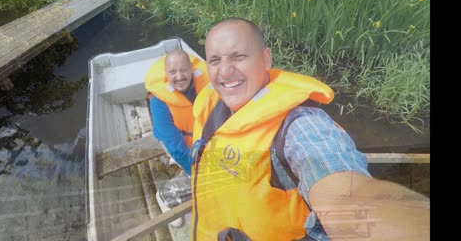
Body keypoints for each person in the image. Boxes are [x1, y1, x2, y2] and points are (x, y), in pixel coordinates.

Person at [189, 17, 429, 240]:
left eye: (238, 56)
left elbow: (347, 195)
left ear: (266, 59)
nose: (225, 71)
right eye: (215, 60)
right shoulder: (211, 102)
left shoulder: (301, 128)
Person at [145, 48, 209, 227]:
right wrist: (195, 171)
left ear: (191, 69)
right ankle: (166, 196)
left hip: (206, 138)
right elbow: (175, 146)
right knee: (205, 178)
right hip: (180, 145)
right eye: (173, 72)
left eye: (183, 70)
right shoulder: (160, 102)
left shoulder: (207, 82)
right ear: (166, 74)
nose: (179, 76)